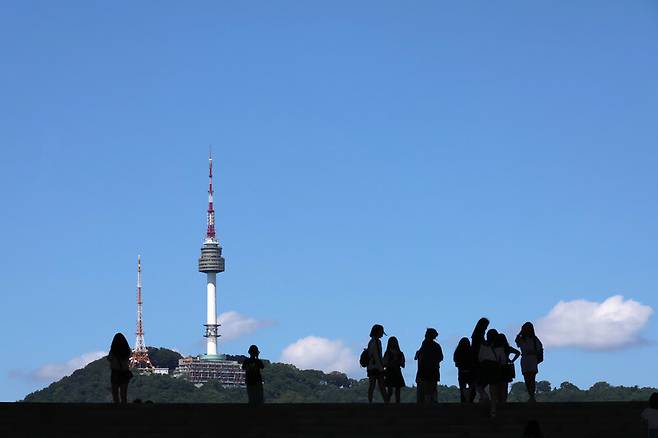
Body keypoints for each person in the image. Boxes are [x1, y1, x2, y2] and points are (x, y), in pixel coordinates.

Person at [515, 322, 544, 402]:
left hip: (531, 359)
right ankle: (531, 395)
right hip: (526, 359)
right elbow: (516, 340)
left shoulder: (534, 339)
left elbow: (540, 349)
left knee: (531, 378)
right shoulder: (522, 339)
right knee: (527, 379)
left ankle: (532, 396)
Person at [414, 328, 444, 404]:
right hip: (432, 370)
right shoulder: (435, 346)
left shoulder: (425, 345)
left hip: (425, 370)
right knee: (432, 388)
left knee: (426, 388)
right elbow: (440, 357)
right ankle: (432, 401)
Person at [478, 329, 501, 417]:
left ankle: (484, 396)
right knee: (493, 390)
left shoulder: (483, 347)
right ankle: (493, 409)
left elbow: (480, 358)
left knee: (480, 385)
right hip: (494, 367)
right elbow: (501, 360)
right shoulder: (499, 348)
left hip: (484, 367)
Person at [107, 332, 133, 404]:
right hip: (124, 372)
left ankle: (116, 406)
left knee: (115, 392)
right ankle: (124, 407)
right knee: (123, 392)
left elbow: (109, 359)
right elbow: (129, 357)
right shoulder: (127, 350)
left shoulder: (113, 350)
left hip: (115, 372)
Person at [494, 333, 520, 403]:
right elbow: (518, 352)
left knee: (498, 386)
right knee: (504, 386)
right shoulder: (507, 348)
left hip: (497, 368)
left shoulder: (495, 348)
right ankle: (504, 401)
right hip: (506, 367)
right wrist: (512, 360)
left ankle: (499, 401)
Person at [367, 324, 389, 403]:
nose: (382, 334)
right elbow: (377, 356)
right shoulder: (376, 342)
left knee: (372, 386)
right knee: (381, 386)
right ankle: (386, 401)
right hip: (376, 367)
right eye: (381, 332)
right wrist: (381, 368)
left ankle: (370, 402)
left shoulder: (371, 342)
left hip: (370, 367)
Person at [470, 317, 490, 402]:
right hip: (478, 359)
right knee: (481, 379)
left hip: (476, 358)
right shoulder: (479, 335)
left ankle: (482, 396)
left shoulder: (476, 335)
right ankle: (483, 395)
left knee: (479, 379)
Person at [383, 336, 406, 403]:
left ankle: (389, 403)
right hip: (393, 372)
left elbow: (384, 363)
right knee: (393, 391)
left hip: (392, 372)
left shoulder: (390, 353)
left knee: (395, 390)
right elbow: (385, 363)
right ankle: (388, 403)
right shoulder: (399, 353)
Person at [453, 337, 474, 403]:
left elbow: (456, 362)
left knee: (462, 389)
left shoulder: (458, 352)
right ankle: (470, 400)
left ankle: (463, 401)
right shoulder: (471, 351)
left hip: (461, 372)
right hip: (470, 372)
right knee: (472, 388)